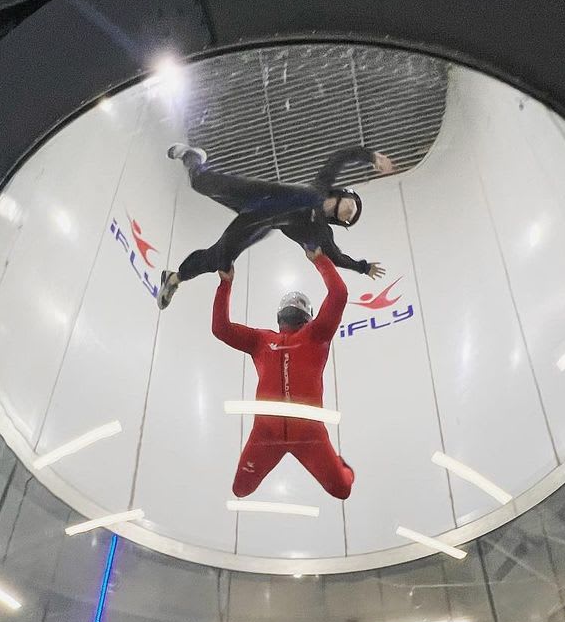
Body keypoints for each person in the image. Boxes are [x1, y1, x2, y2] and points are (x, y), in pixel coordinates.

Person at [157, 143, 394, 309]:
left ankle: (174, 278)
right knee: (200, 182)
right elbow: (341, 157)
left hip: (261, 222)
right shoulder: (321, 186)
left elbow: (338, 257)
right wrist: (372, 157)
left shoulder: (320, 231)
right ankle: (193, 158)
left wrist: (362, 267)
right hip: (258, 195)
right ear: (343, 194)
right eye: (351, 208)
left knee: (220, 259)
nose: (349, 214)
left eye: (349, 218)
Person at [212, 250, 355, 500]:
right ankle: (337, 464)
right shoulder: (261, 340)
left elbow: (340, 295)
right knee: (241, 488)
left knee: (342, 489)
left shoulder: (316, 335)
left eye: (299, 304)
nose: (294, 304)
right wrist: (225, 283)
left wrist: (320, 259)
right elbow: (220, 329)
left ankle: (341, 464)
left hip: (308, 434)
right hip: (268, 433)